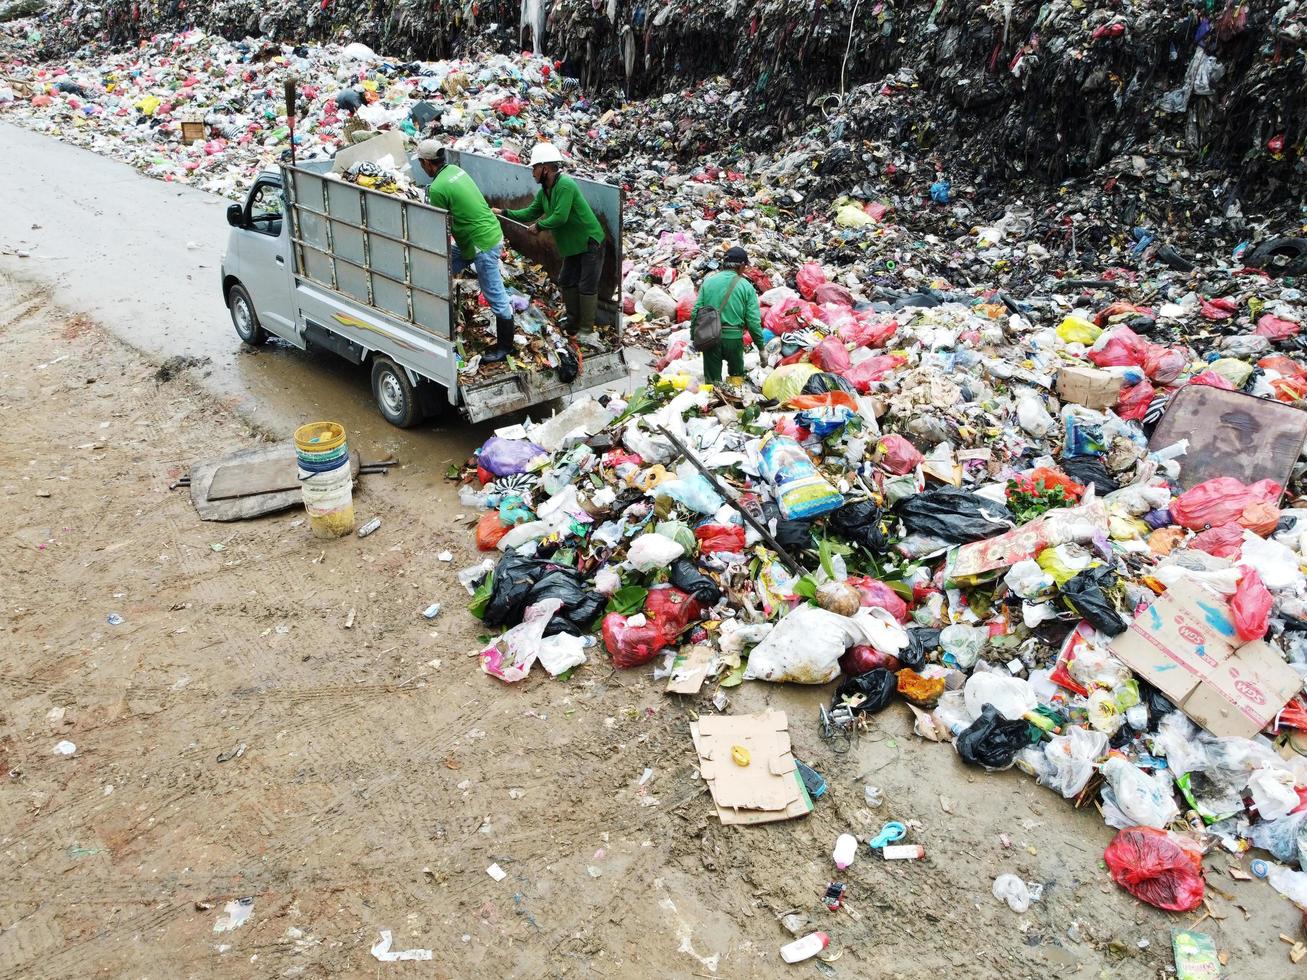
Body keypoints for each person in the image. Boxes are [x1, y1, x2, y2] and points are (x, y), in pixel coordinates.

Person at [416, 139, 517, 363]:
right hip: (482, 236)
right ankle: (439, 318)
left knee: (494, 295)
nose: (422, 168)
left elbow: (437, 227)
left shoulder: (438, 188)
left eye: (421, 164)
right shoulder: (455, 170)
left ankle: (505, 348)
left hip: (482, 244)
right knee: (442, 267)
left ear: (427, 163)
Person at [496, 143, 606, 337]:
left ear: (545, 168)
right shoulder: (544, 192)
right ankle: (573, 322)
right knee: (566, 280)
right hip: (573, 244)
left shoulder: (566, 185)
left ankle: (586, 330)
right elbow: (530, 212)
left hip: (589, 240)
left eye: (534, 168)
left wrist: (539, 226)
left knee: (587, 284)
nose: (532, 173)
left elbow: (560, 216)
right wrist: (504, 212)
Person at [691, 245, 763, 388]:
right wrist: (761, 347)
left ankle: (713, 405)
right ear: (741, 265)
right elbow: (753, 321)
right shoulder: (746, 287)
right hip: (734, 340)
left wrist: (694, 336)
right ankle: (733, 404)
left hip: (710, 337)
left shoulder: (709, 282)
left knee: (712, 383)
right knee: (736, 379)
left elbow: (696, 312)